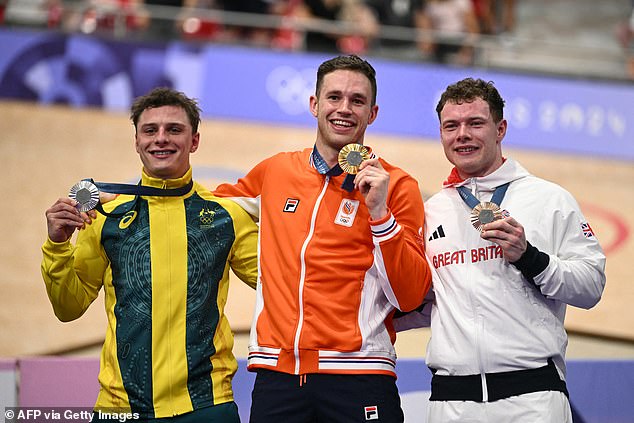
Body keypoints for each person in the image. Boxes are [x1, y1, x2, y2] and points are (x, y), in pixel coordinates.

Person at [213, 54, 432, 422]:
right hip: (277, 375)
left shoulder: (397, 185)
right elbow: (207, 207)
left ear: (372, 113)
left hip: (361, 376)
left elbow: (410, 294)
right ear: (315, 104)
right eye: (334, 97)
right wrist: (118, 197)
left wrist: (380, 214)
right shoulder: (277, 170)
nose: (344, 108)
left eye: (357, 100)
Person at [41, 87, 259, 421]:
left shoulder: (226, 216)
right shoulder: (105, 217)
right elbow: (68, 308)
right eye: (150, 130)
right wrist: (57, 246)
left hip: (206, 405)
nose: (161, 138)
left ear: (194, 141)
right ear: (137, 142)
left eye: (174, 129)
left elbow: (284, 283)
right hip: (120, 406)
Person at [396, 77, 606, 422]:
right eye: (451, 126)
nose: (462, 134)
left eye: (475, 123)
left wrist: (530, 257)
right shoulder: (432, 211)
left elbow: (591, 287)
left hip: (532, 400)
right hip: (452, 403)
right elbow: (427, 301)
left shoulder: (549, 199)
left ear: (500, 129)